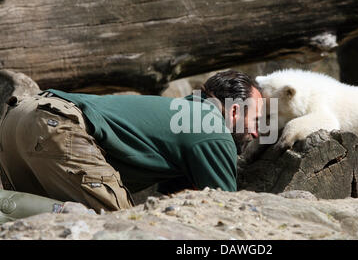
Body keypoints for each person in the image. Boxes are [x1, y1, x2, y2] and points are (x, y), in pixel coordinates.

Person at [0, 70, 263, 221]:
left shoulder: (183, 116)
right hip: (56, 123)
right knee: (118, 227)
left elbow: (173, 205)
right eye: (257, 119)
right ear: (236, 111)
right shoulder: (210, 127)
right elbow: (226, 213)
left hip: (18, 118)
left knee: (36, 223)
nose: (256, 131)